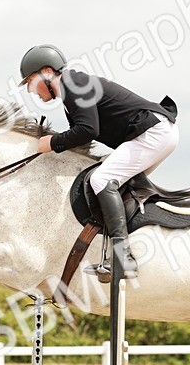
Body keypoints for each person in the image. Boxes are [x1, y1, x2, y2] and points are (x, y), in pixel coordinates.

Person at [19, 44, 179, 281]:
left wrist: (52, 143)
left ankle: (123, 259)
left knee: (101, 179)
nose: (32, 91)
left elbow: (87, 130)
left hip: (152, 133)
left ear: (47, 71)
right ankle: (129, 250)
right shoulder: (72, 88)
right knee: (115, 184)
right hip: (155, 132)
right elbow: (82, 130)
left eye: (31, 81)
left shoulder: (74, 85)